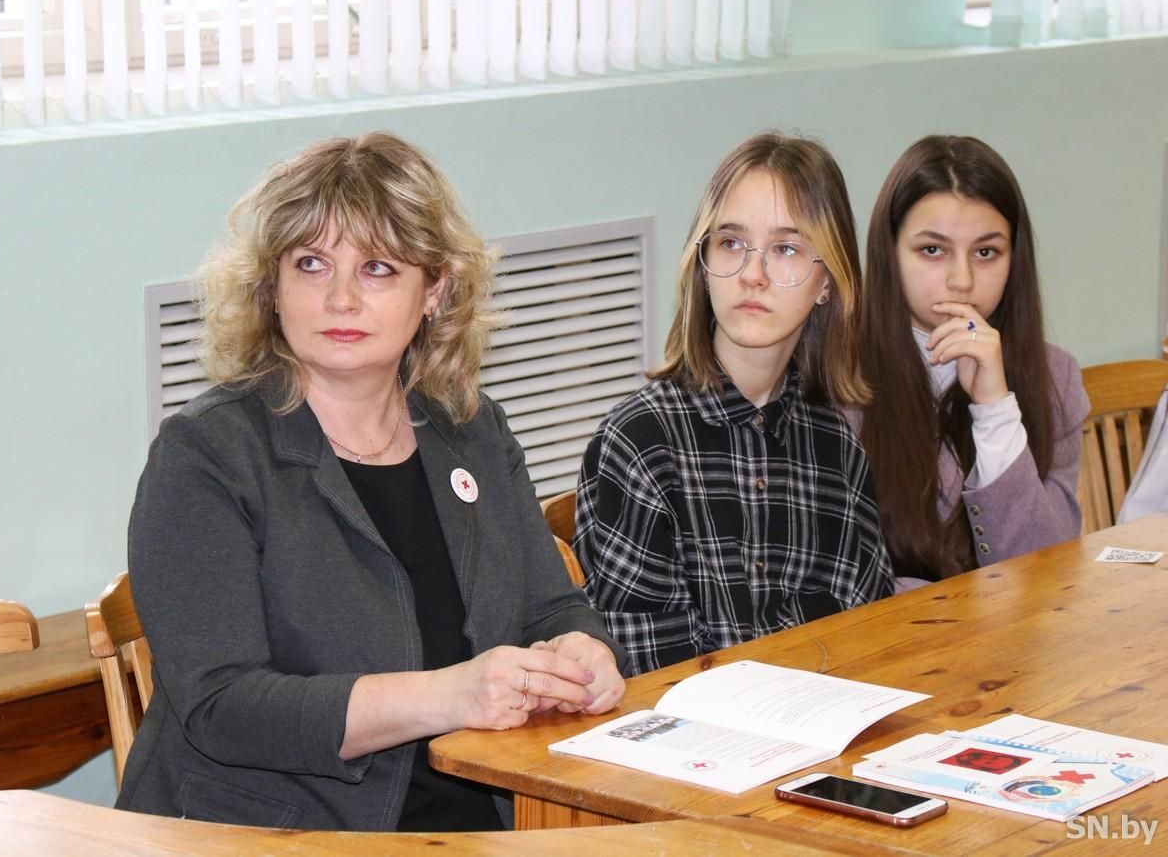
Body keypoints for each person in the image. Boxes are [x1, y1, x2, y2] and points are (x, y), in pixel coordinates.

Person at [118, 133, 627, 832]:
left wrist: (584, 652)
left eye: (379, 268)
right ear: (271, 288)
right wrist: (449, 696)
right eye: (311, 263)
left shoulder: (472, 429)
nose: (341, 298)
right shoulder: (207, 453)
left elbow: (550, 608)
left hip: (481, 817)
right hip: (273, 833)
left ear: (435, 291)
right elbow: (222, 707)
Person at [573, 132, 893, 675]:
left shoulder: (836, 447)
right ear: (702, 264)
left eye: (786, 249)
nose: (752, 274)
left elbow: (866, 637)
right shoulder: (641, 443)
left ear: (827, 283)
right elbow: (644, 667)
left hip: (822, 716)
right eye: (730, 243)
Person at [858, 135, 1089, 587]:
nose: (961, 281)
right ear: (889, 252)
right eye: (933, 250)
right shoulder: (834, 376)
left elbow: (1046, 575)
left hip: (1019, 628)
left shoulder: (1054, 378)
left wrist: (995, 409)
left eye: (986, 252)